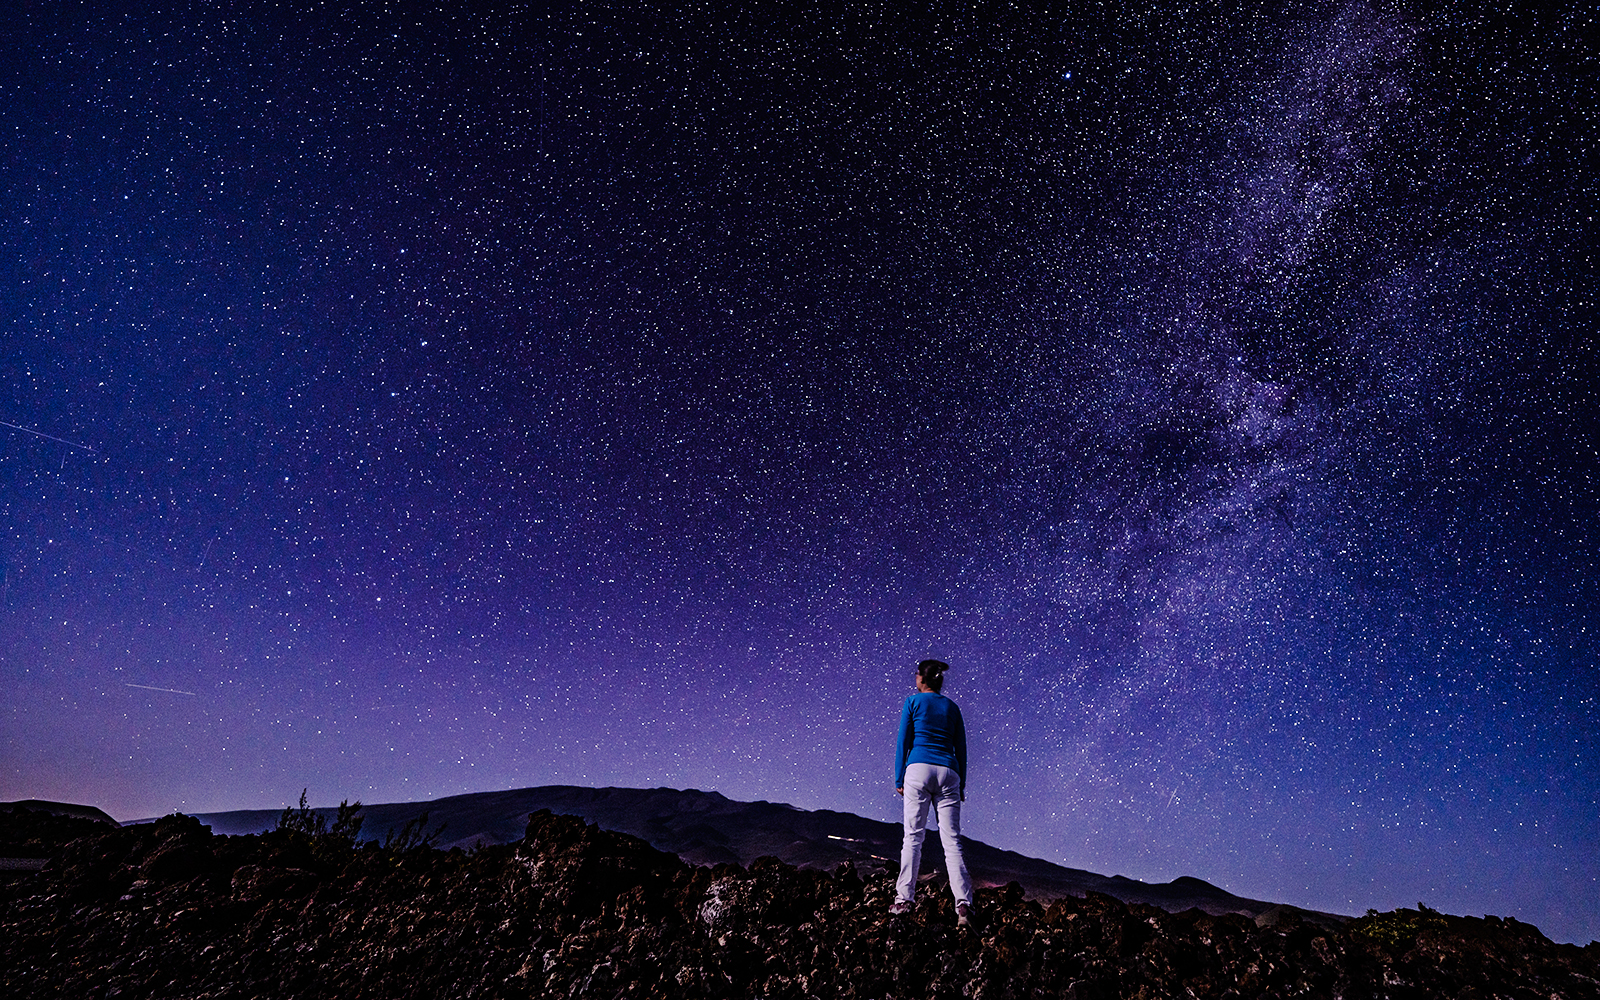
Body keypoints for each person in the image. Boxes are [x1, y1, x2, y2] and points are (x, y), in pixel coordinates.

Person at [891, 658, 972, 926]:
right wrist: (960, 784)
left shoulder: (912, 702)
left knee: (913, 837)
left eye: (916, 674)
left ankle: (904, 900)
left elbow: (904, 740)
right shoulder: (952, 707)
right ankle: (963, 904)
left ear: (922, 679)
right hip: (949, 771)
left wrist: (899, 777)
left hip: (918, 768)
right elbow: (961, 748)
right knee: (952, 842)